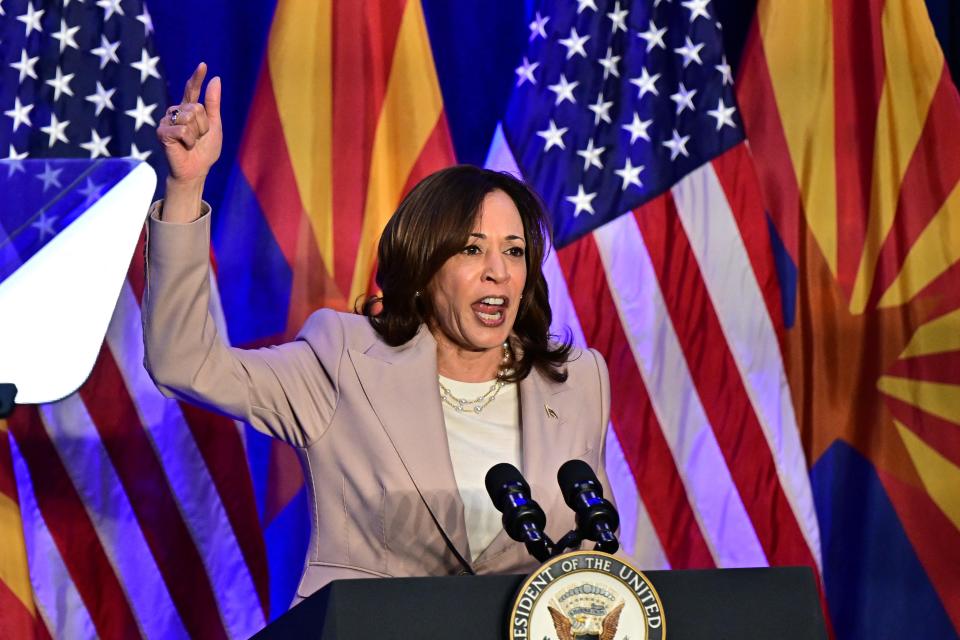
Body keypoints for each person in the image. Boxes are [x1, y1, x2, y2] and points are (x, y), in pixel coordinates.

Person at [146, 63, 612, 603]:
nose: (499, 272)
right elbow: (184, 362)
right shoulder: (343, 361)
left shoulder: (577, 382)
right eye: (470, 249)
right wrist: (186, 187)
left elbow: (592, 556)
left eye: (514, 250)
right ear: (421, 268)